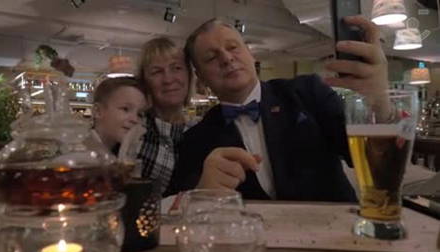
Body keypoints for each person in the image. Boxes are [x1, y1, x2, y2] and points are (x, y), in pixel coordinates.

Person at [166, 16, 391, 202]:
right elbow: (175, 205)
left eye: (233, 47)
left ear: (251, 55)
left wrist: (380, 104)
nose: (226, 58)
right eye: (211, 57)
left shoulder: (308, 92)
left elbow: (376, 164)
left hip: (338, 235)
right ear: (202, 79)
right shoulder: (194, 139)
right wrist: (201, 194)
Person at [136, 36, 196, 195]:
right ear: (144, 82)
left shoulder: (201, 130)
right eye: (156, 72)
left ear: (189, 76)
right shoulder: (132, 130)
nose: (168, 79)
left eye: (176, 68)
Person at [92, 76, 148, 152]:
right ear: (97, 111)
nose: (135, 119)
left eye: (139, 114)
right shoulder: (77, 156)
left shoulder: (124, 154)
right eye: (125, 109)